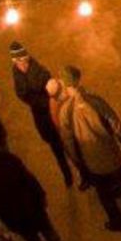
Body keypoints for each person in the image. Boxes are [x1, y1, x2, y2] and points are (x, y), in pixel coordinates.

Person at [52, 67, 121, 231]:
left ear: (66, 86)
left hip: (92, 162)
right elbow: (114, 122)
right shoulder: (95, 101)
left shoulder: (66, 111)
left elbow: (69, 142)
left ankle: (118, 223)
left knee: (105, 195)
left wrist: (78, 163)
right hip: (112, 156)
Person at [8, 42, 74, 186]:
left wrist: (40, 99)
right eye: (20, 62)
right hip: (42, 118)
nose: (23, 64)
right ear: (15, 62)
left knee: (69, 144)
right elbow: (21, 93)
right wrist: (35, 99)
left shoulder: (39, 71)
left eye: (25, 60)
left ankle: (83, 172)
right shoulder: (17, 75)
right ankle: (67, 174)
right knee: (56, 148)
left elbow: (51, 90)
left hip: (52, 111)